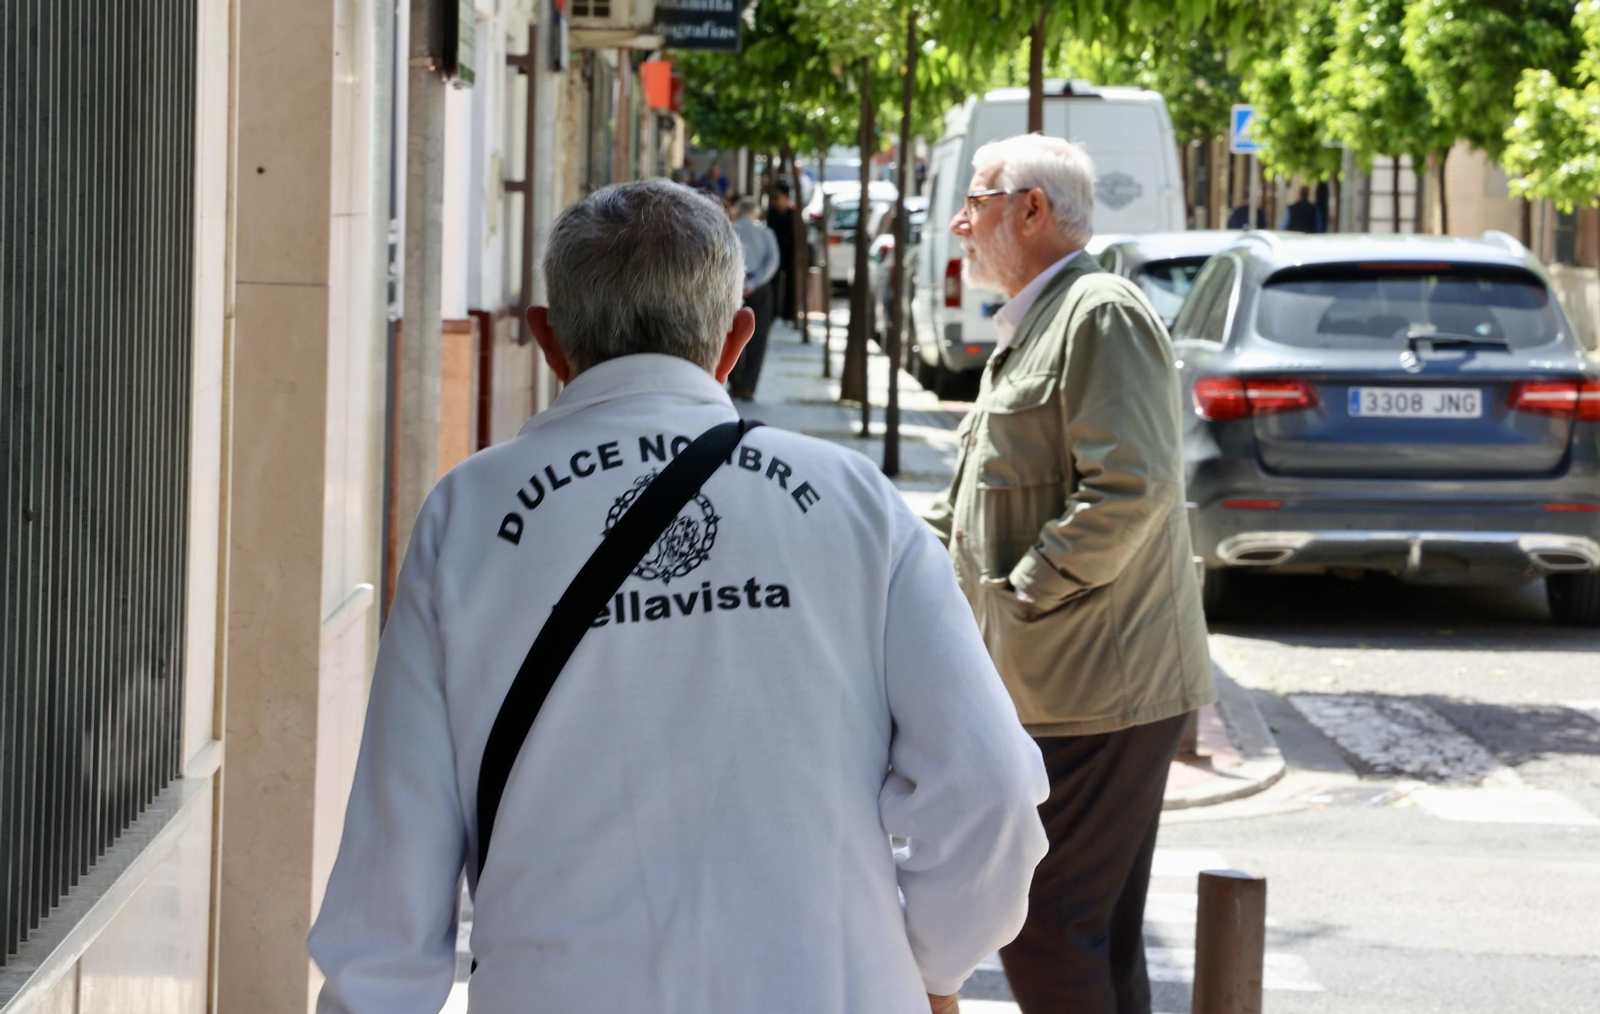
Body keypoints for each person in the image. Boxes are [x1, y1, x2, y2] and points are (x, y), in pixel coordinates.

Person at [308, 179, 1049, 1014]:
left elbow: (391, 871)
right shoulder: (851, 500)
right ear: (735, 340)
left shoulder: (468, 514)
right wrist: (933, 964)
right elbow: (989, 786)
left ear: (550, 342)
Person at [925, 134, 1215, 1014]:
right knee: (1090, 935)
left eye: (974, 202)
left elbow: (1135, 487)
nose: (960, 223)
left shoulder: (1098, 313)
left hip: (1097, 687)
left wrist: (1023, 597)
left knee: (1049, 927)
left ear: (1031, 209)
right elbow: (980, 503)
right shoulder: (1039, 322)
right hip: (1063, 684)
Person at [727, 195, 781, 400]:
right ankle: (749, 386)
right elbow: (772, 262)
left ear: (738, 211)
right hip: (759, 289)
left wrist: (740, 284)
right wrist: (755, 283)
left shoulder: (730, 230)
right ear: (756, 213)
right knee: (758, 337)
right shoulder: (766, 233)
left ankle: (736, 381)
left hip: (733, 287)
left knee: (731, 334)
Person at [767, 179, 799, 324]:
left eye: (778, 197)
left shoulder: (793, 214)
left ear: (786, 197)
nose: (775, 200)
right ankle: (773, 314)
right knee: (773, 284)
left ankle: (789, 315)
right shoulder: (772, 213)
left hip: (790, 254)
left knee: (790, 284)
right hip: (774, 253)